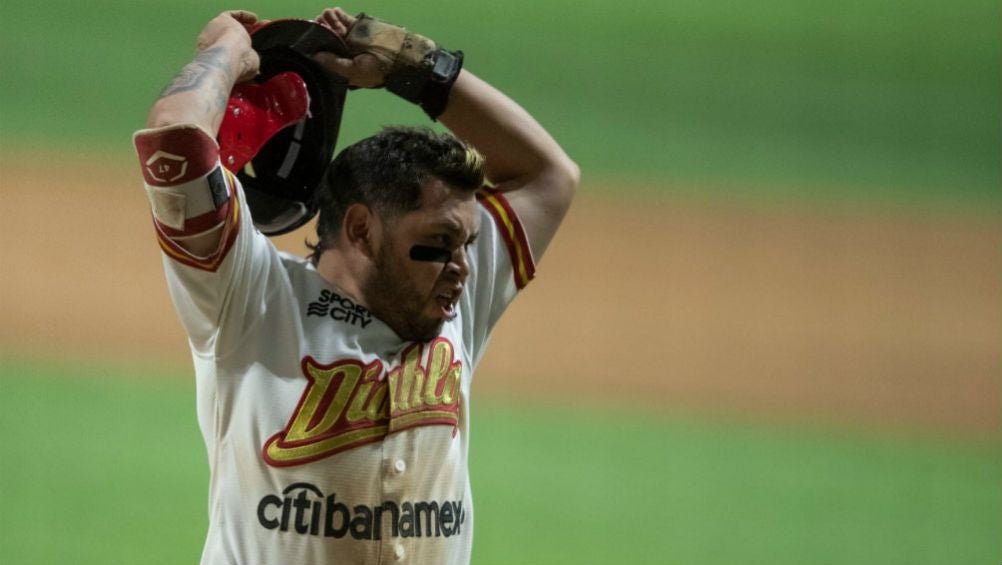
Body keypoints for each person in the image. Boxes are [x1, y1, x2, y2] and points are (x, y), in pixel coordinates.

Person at [133, 7, 578, 565]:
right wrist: (225, 53)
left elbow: (550, 175)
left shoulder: (451, 298)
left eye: (467, 244)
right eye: (439, 242)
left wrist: (417, 68)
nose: (464, 265)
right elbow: (174, 141)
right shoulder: (249, 297)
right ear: (362, 230)